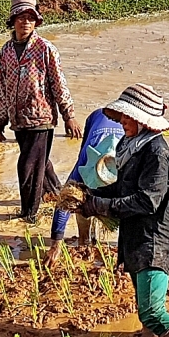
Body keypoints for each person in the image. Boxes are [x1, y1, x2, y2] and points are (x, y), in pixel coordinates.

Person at [79, 84, 169, 337]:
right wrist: (88, 198)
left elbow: (148, 200)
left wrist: (101, 207)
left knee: (153, 312)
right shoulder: (128, 145)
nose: (121, 122)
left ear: (144, 120)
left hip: (156, 238)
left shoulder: (156, 152)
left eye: (126, 117)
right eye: (121, 116)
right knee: (146, 304)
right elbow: (120, 189)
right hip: (136, 236)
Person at [0, 0, 82, 222]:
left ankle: (28, 215)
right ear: (13, 21)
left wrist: (68, 115)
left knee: (27, 166)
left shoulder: (45, 49)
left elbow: (58, 83)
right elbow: (1, 88)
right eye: (21, 18)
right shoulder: (6, 51)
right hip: (18, 120)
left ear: (36, 22)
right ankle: (60, 196)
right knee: (39, 162)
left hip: (41, 117)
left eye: (30, 18)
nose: (25, 22)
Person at [47, 108, 124, 261]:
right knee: (81, 200)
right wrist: (56, 243)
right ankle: (84, 240)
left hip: (119, 132)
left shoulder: (130, 166)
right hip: (96, 120)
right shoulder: (84, 165)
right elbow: (65, 203)